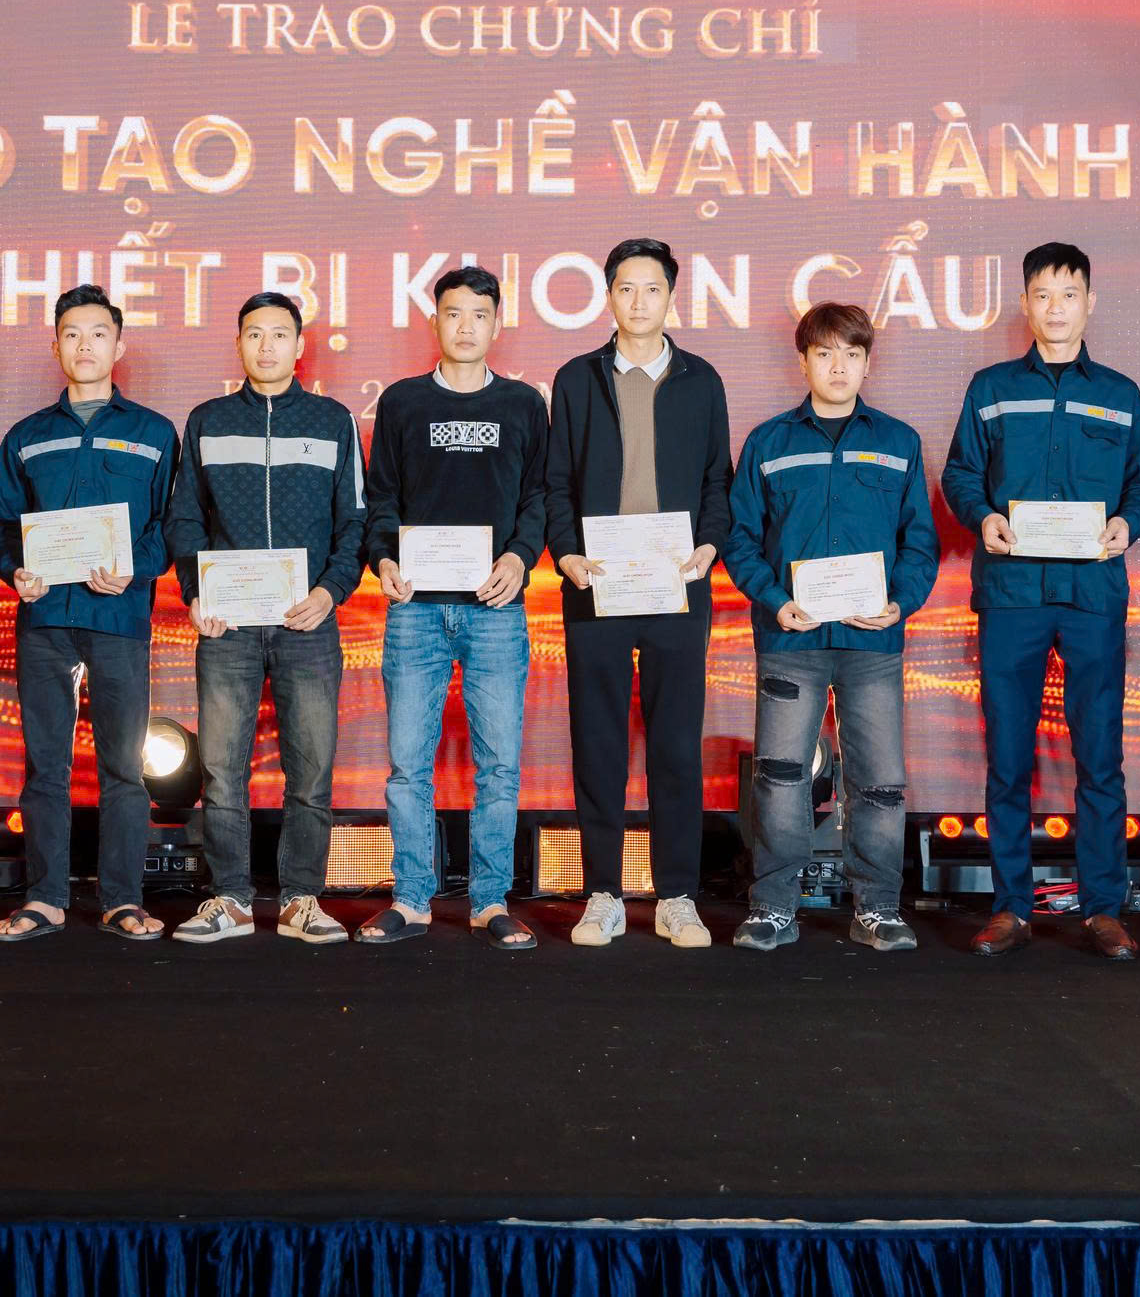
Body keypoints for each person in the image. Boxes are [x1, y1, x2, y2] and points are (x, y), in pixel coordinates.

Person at [940, 244, 1140, 961]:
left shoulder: (1122, 394)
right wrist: (983, 516)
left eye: (1069, 294)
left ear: (1089, 303)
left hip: (1093, 594)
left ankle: (1103, 909)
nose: (1056, 307)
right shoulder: (992, 388)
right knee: (1008, 757)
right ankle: (1011, 907)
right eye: (1043, 294)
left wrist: (1129, 523)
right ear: (1026, 305)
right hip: (1013, 592)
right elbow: (961, 473)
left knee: (1100, 757)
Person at [724, 302, 939, 951]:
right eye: (824, 353)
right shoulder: (768, 443)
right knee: (779, 776)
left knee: (878, 781)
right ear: (804, 361)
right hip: (791, 637)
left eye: (851, 353)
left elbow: (920, 541)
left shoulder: (899, 442)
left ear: (868, 362)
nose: (838, 366)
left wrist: (900, 603)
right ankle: (773, 907)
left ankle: (878, 908)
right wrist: (773, 599)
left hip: (872, 640)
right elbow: (739, 538)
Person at [163, 292, 366, 945]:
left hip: (309, 622)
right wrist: (196, 591)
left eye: (280, 334)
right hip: (228, 626)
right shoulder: (208, 420)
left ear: (300, 345)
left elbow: (354, 522)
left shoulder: (333, 420)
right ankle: (230, 898)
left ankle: (302, 898)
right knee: (223, 770)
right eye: (255, 333)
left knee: (311, 770)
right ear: (239, 343)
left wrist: (331, 592)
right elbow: (185, 517)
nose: (267, 345)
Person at [544, 237, 729, 949]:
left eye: (652, 288)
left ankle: (677, 895)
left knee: (676, 744)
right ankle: (604, 895)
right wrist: (566, 553)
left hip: (678, 585)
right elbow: (556, 481)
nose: (639, 301)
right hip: (596, 583)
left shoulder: (701, 379)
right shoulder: (576, 378)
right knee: (598, 742)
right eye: (626, 288)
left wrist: (709, 544)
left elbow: (717, 480)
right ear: (609, 296)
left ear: (671, 297)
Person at [357, 266, 550, 949]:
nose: (465, 326)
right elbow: (382, 497)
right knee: (408, 765)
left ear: (497, 324)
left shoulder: (524, 404)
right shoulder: (403, 402)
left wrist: (520, 558)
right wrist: (384, 559)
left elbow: (538, 497)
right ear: (434, 320)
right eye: (453, 313)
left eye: (479, 314)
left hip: (495, 608)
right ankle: (411, 898)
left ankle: (489, 899)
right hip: (415, 609)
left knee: (499, 766)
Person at [0, 284, 178, 943]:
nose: (85, 345)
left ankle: (122, 900)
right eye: (72, 334)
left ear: (119, 346)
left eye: (98, 333)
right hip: (45, 618)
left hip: (119, 617)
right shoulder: (26, 437)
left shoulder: (155, 433)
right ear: (56, 347)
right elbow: (5, 527)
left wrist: (136, 567)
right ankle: (45, 898)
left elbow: (169, 525)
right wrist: (15, 569)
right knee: (46, 766)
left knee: (124, 767)